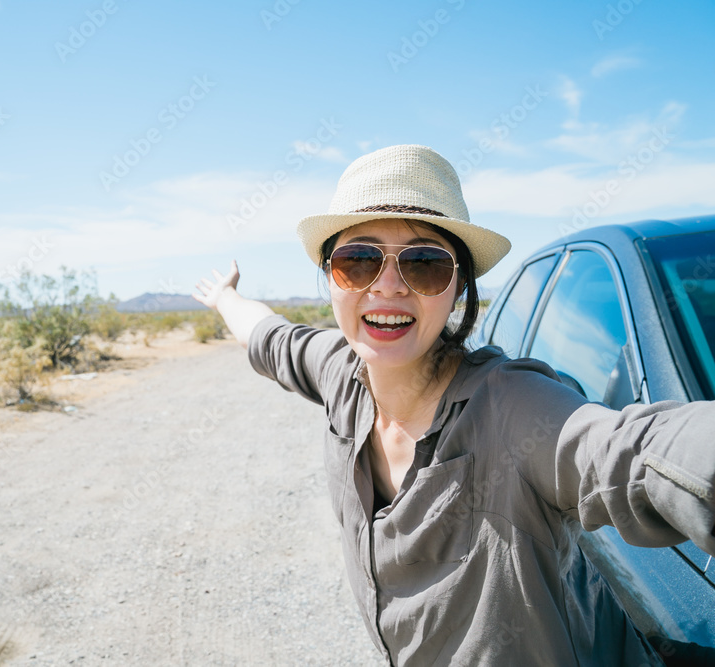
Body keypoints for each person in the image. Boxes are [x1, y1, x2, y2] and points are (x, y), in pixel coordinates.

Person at [193, 144, 715, 665]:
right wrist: (225, 299)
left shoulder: (514, 409)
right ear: (331, 276)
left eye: (424, 263)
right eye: (359, 260)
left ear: (458, 284)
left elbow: (634, 450)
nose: (388, 286)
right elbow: (269, 337)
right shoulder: (338, 372)